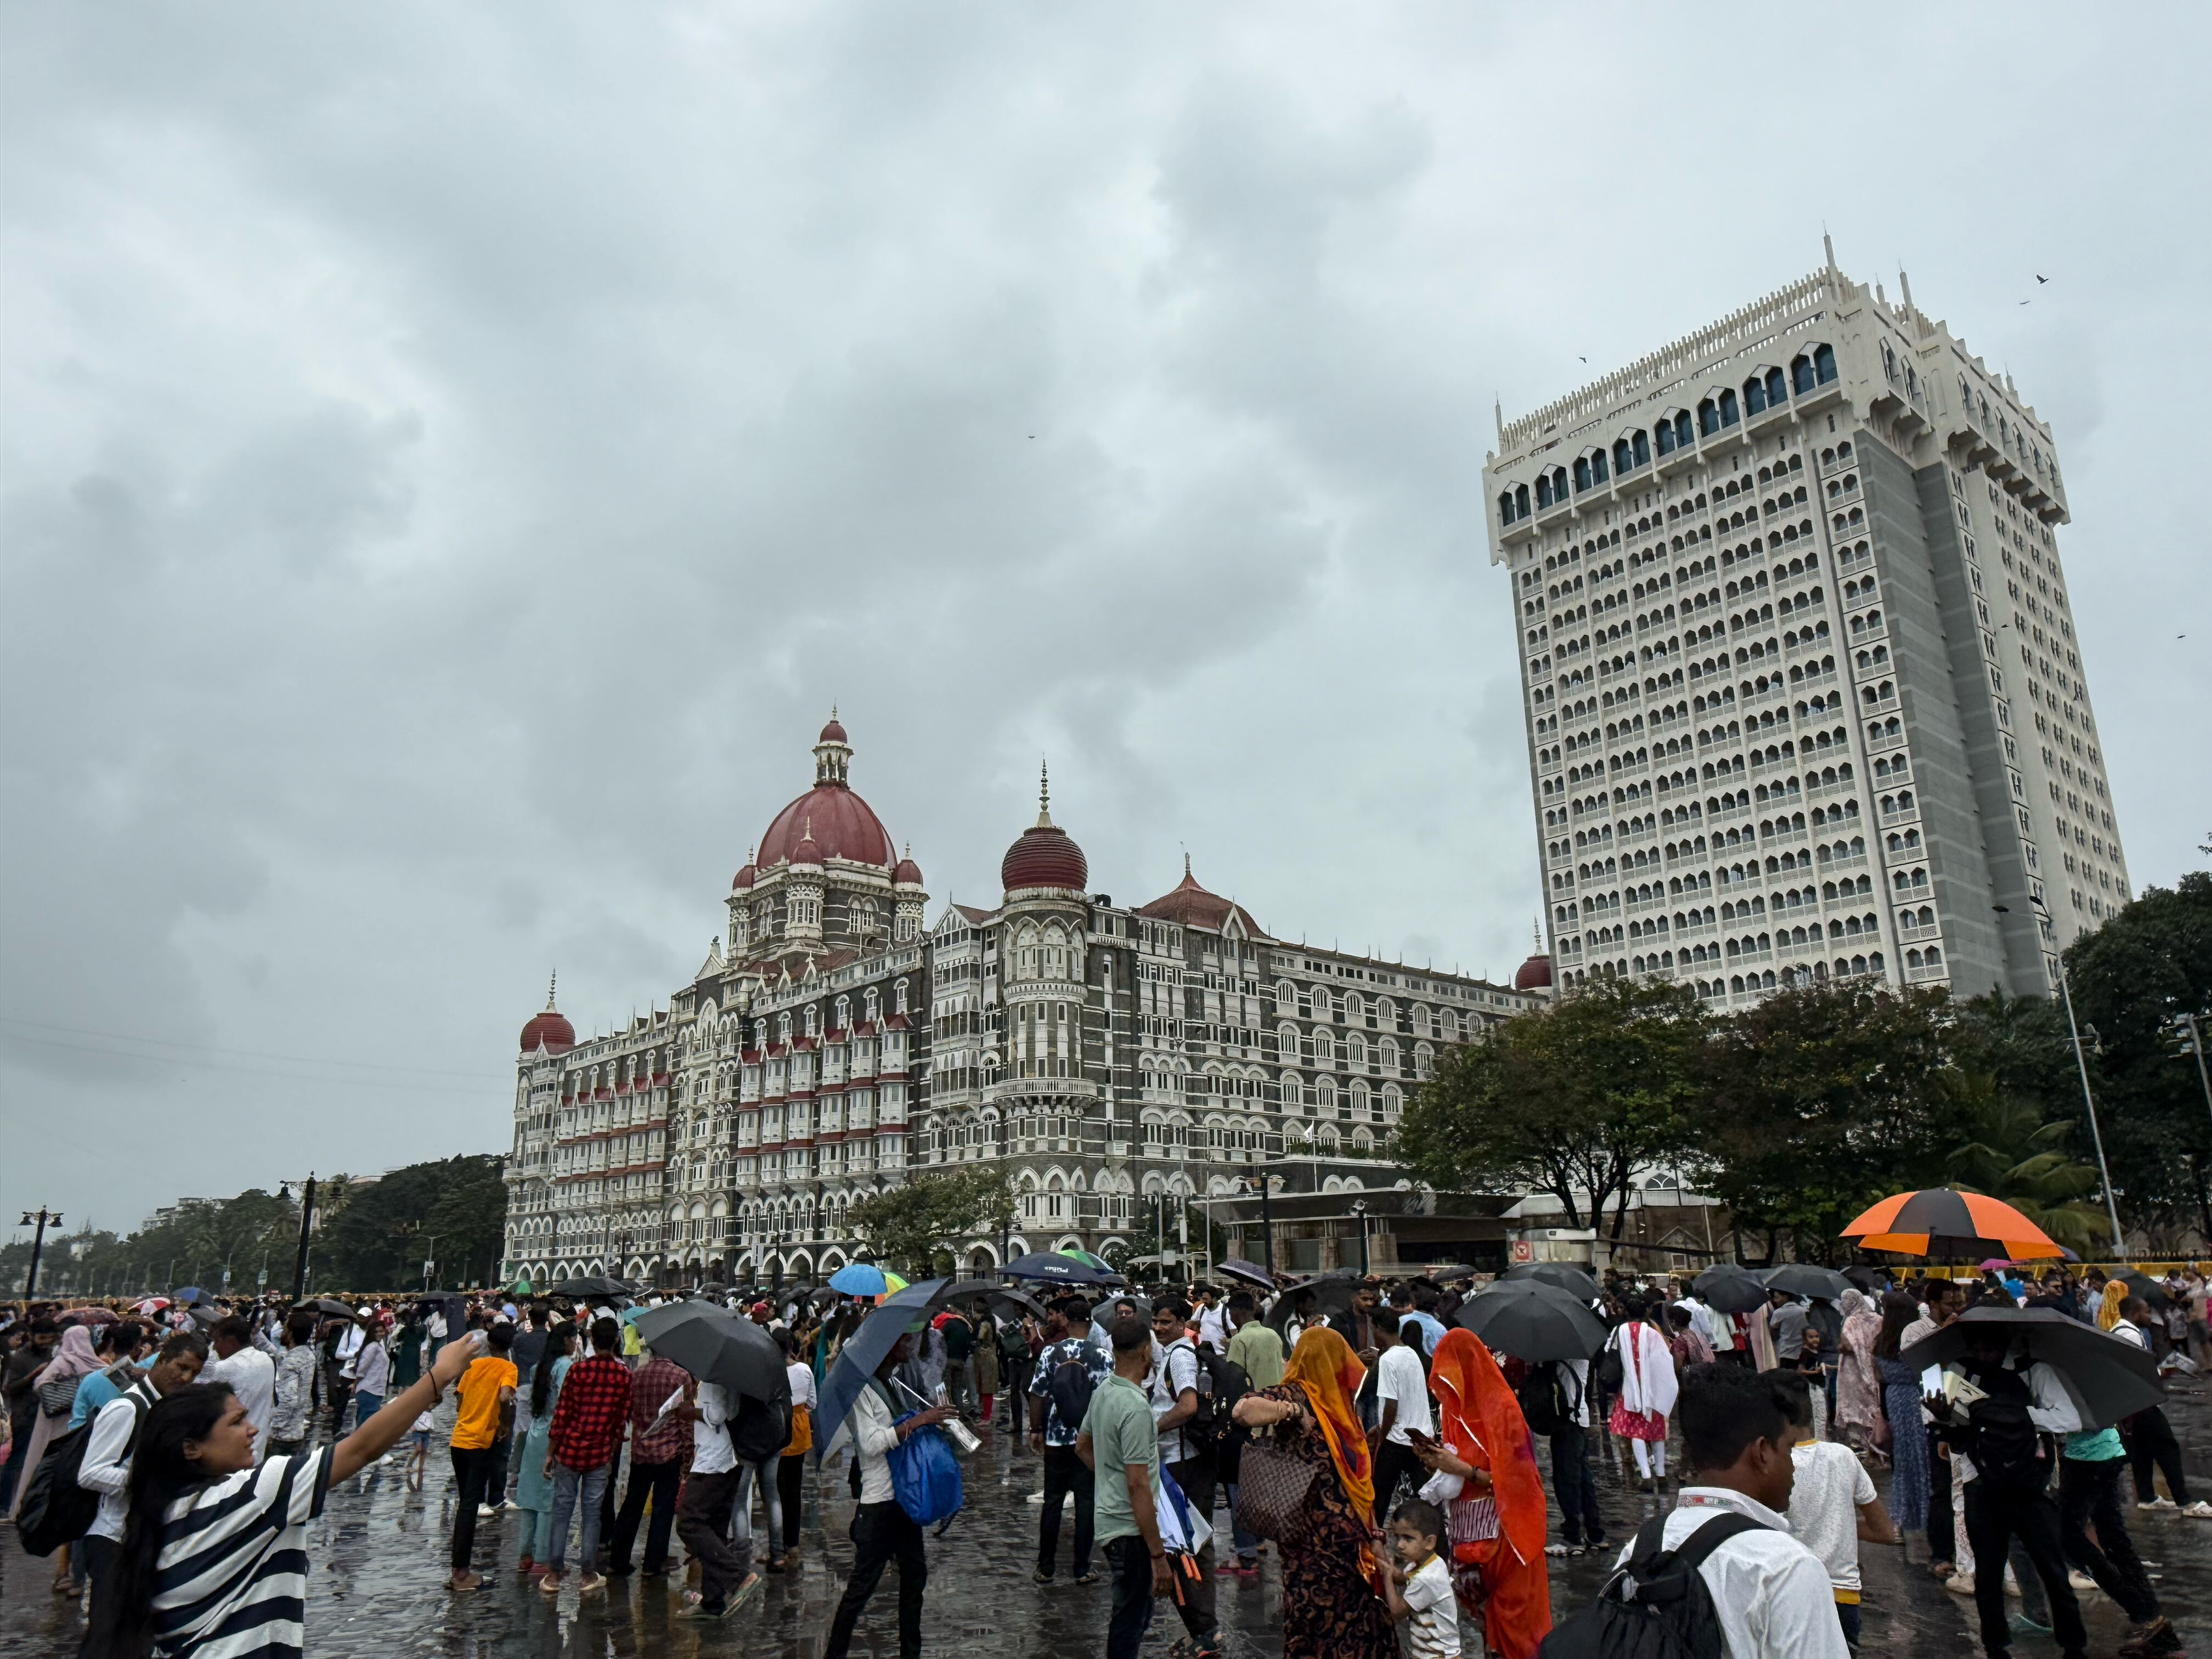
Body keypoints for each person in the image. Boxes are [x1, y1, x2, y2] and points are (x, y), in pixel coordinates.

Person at [79, 1328, 486, 1659]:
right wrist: (438, 1376)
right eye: (237, 1422)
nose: (253, 1428)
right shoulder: (253, 1496)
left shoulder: (160, 1517)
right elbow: (362, 1448)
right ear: (192, 1448)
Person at [1605, 1363, 1850, 1658]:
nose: (1794, 1465)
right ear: (1763, 1452)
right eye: (1789, 1448)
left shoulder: (1642, 1547)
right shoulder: (1787, 1567)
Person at [1231, 1326, 1396, 1659]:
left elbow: (1358, 1485)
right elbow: (1243, 1411)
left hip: (1353, 1551)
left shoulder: (1343, 1410)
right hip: (1311, 1554)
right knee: (1316, 1633)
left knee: (1367, 1632)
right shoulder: (1298, 1394)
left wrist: (1375, 1535)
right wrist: (1292, 1411)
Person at [1923, 1322, 2087, 1659]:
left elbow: (2070, 1420)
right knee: (1989, 1573)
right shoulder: (1959, 1372)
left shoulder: (2034, 1372)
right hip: (1980, 1483)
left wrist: (2012, 1415)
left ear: (2007, 1344)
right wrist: (1944, 1415)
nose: (1986, 1357)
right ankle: (1996, 1647)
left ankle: (2074, 1646)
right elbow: (1947, 1425)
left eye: (1992, 1350)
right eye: (1978, 1350)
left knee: (2053, 1569)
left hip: (2030, 1486)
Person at [1416, 1328, 1551, 1659]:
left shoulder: (1502, 1409)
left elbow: (1519, 1483)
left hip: (1509, 1540)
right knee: (1488, 1626)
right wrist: (1437, 1460)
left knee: (1517, 1627)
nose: (1446, 1389)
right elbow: (1456, 1460)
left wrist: (1461, 1468)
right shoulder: (1453, 1409)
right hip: (1470, 1538)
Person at [821, 1329, 956, 1657]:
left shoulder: (895, 1384)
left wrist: (934, 1420)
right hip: (879, 1504)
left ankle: (911, 1652)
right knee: (860, 1589)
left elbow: (908, 1427)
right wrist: (921, 1420)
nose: (911, 1345)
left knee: (915, 1580)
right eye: (904, 1340)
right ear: (885, 1347)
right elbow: (871, 1444)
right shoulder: (860, 1393)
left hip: (905, 1499)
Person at [75, 1330, 209, 1591]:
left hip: (139, 1536)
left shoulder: (162, 1406)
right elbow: (90, 1474)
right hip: (112, 1538)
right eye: (181, 1367)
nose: (186, 1378)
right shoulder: (127, 1409)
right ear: (161, 1360)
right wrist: (151, 1479)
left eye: (194, 1373)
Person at [2055, 1387, 2178, 1658]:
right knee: (2114, 1540)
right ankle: (2153, 1623)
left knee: (2069, 1538)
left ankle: (2143, 1612)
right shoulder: (2087, 1367)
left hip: (2088, 1460)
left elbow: (2074, 1418)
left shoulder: (2072, 1371)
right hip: (2104, 1453)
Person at [1774, 1369, 1892, 1647]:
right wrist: (1836, 1522)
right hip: (1844, 1601)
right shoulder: (1844, 1457)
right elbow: (1885, 1532)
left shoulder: (1771, 1465)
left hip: (1791, 1596)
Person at [1079, 1312, 1173, 1659]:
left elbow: (1082, 1446)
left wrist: (1108, 1478)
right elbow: (1138, 1485)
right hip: (1129, 1527)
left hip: (1111, 1519)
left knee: (1134, 1612)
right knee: (1130, 1620)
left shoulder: (1105, 1390)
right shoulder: (1135, 1407)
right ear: (1147, 1353)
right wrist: (1158, 1554)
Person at [1147, 1297, 1221, 1658]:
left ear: (1181, 1323)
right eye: (1155, 1322)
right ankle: (1201, 1630)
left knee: (1191, 1545)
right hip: (1177, 1460)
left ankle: (1206, 1631)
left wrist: (1153, 1427)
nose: (1159, 1328)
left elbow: (1188, 1406)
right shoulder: (1168, 1354)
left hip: (1184, 1462)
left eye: (1165, 1322)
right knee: (1189, 1544)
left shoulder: (1179, 1355)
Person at [1030, 1295, 1108, 1586]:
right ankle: (1081, 1568)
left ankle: (1046, 1567)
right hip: (1089, 1440)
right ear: (1090, 1322)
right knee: (1086, 1502)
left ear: (1067, 1320)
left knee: (1053, 1501)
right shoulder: (1102, 1356)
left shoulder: (1051, 1353)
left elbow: (1036, 1394)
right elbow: (1106, 1400)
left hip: (1056, 1438)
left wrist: (1035, 1430)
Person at [2112, 1296, 2207, 1515]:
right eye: (2146, 1312)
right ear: (2135, 1313)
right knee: (2167, 1447)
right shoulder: (2130, 1334)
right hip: (2140, 1401)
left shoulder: (2122, 1330)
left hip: (2132, 1403)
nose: (2149, 1316)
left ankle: (2147, 1497)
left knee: (2142, 1449)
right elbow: (2135, 1372)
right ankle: (2185, 1502)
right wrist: (2160, 1373)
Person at [446, 1321, 519, 1590]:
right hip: (480, 1442)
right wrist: (502, 1422)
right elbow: (503, 1397)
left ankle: (458, 1568)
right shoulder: (508, 1368)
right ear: (509, 1346)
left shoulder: (474, 1366)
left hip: (459, 1439)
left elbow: (460, 1399)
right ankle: (462, 1575)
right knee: (469, 1506)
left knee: (466, 1503)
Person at [608, 1338, 689, 1576]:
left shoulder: (637, 1375)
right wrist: (688, 1452)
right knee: (663, 1508)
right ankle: (653, 1564)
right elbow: (685, 1420)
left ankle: (618, 1560)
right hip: (670, 1451)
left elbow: (629, 1411)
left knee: (632, 1504)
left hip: (641, 1451)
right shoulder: (680, 1376)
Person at [514, 1320, 575, 1578]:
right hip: (554, 1434)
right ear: (567, 1341)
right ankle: (542, 1559)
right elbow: (566, 1404)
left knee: (529, 1499)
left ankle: (525, 1554)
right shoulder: (566, 1368)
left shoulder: (540, 1367)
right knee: (549, 1499)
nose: (576, 1343)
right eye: (574, 1339)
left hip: (535, 1434)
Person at [1872, 1292, 1929, 1532]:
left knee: (1902, 1457)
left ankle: (1905, 1511)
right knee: (1922, 1455)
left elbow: (1880, 1380)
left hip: (1894, 1399)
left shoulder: (1881, 1341)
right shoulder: (1918, 1339)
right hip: (1920, 1398)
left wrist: (1884, 1412)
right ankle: (1925, 1506)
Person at [1369, 1312, 1431, 1526]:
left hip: (1396, 1440)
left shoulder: (1387, 1359)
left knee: (1379, 1498)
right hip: (1420, 1436)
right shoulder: (1412, 1354)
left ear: (1377, 1328)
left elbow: (1392, 1406)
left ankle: (1373, 1541)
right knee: (1426, 1497)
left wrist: (1382, 1437)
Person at [1377, 1498, 1459, 1659]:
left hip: (1436, 1652)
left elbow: (1397, 1610)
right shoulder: (1430, 1563)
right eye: (1398, 1537)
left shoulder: (1427, 1578)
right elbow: (1404, 1578)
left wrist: (1387, 1577)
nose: (1400, 1545)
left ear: (1429, 1542)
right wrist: (1389, 1568)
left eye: (1408, 1538)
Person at [1608, 1297, 1677, 1489]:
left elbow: (1609, 1353)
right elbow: (1664, 1358)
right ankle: (1661, 1474)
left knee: (1635, 1431)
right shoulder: (1652, 1333)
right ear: (1645, 1313)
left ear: (1626, 1313)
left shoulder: (1618, 1332)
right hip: (1652, 1390)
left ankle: (1646, 1475)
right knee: (1656, 1432)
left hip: (1629, 1389)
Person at [199, 1317, 278, 1464]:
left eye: (217, 1341)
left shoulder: (231, 1367)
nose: (215, 1347)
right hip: (257, 1449)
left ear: (231, 1341)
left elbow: (199, 1378)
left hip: (233, 1453)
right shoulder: (265, 1359)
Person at [1, 1317, 59, 1511]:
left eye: (50, 1339)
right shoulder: (21, 1358)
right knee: (16, 1461)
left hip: (46, 1415)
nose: (45, 1343)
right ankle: (4, 1505)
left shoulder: (54, 1355)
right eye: (42, 1338)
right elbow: (10, 1389)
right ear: (32, 1336)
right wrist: (34, 1375)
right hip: (24, 1416)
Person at [267, 1312, 318, 1462]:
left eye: (284, 1329)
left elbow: (289, 1399)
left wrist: (274, 1427)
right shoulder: (308, 1354)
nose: (282, 1332)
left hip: (282, 1436)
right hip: (296, 1429)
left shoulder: (292, 1361)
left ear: (291, 1334)